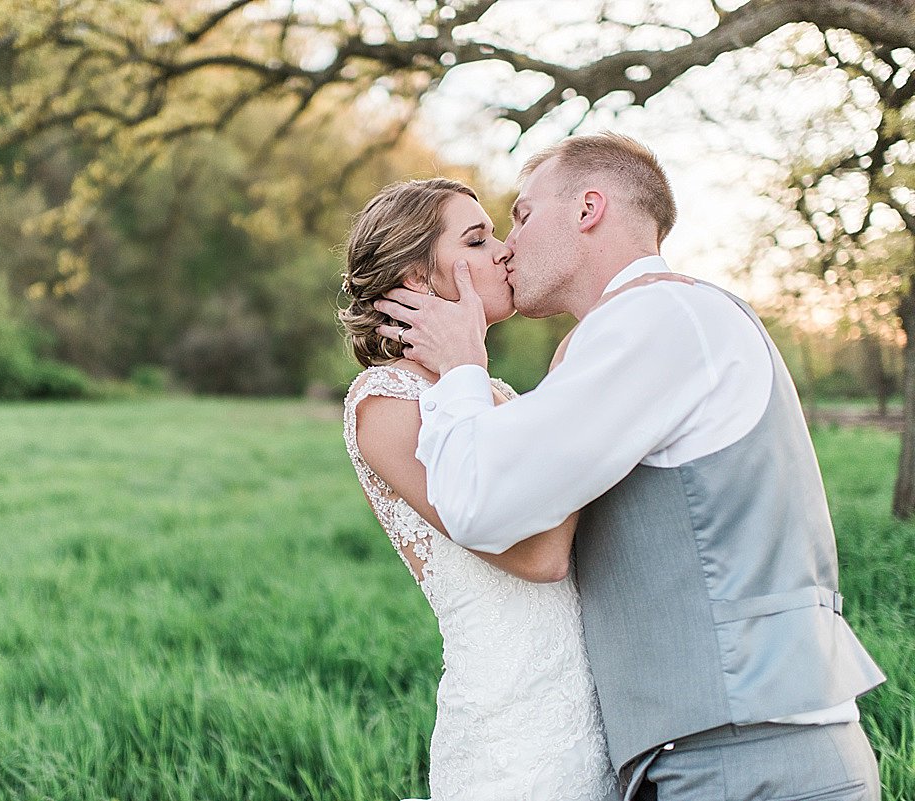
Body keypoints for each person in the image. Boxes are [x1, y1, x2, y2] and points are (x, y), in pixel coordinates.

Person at [374, 133, 886, 801]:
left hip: (745, 755)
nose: (509, 246)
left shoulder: (655, 318)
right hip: (723, 748)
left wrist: (463, 370)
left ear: (589, 208)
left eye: (522, 216)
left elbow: (484, 506)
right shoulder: (650, 326)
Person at [339, 177, 618, 801]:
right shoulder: (386, 403)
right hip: (515, 741)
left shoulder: (493, 393)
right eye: (476, 239)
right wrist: (572, 393)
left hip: (591, 715)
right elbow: (538, 556)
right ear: (415, 280)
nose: (504, 251)